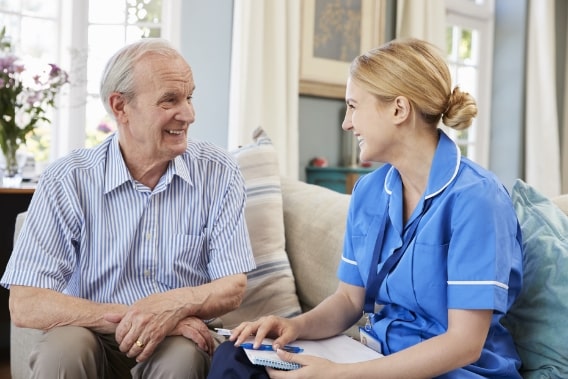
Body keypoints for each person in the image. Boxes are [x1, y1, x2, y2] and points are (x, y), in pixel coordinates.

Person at [207, 38, 523, 378]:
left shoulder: (477, 199)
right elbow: (348, 301)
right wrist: (291, 326)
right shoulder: (371, 191)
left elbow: (464, 344)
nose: (346, 123)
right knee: (236, 355)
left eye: (354, 106)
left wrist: (335, 374)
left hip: (452, 370)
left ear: (399, 110)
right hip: (371, 355)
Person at [1, 38, 257, 378]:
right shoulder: (68, 179)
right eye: (170, 100)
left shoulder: (219, 171)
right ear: (120, 107)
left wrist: (172, 307)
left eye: (189, 97)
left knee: (182, 358)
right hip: (93, 333)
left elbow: (232, 286)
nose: (189, 114)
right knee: (64, 350)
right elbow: (26, 303)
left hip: (178, 341)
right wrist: (149, 319)